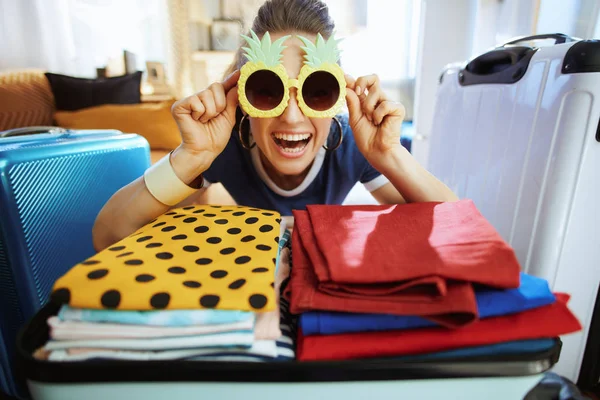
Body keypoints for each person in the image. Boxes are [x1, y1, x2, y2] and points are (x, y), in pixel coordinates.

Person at [92, 0, 458, 252]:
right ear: (242, 95)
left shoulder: (351, 144)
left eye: (316, 91)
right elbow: (109, 234)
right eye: (268, 90)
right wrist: (189, 157)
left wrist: (390, 154)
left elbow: (456, 230)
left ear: (337, 97)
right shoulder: (226, 146)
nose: (293, 116)